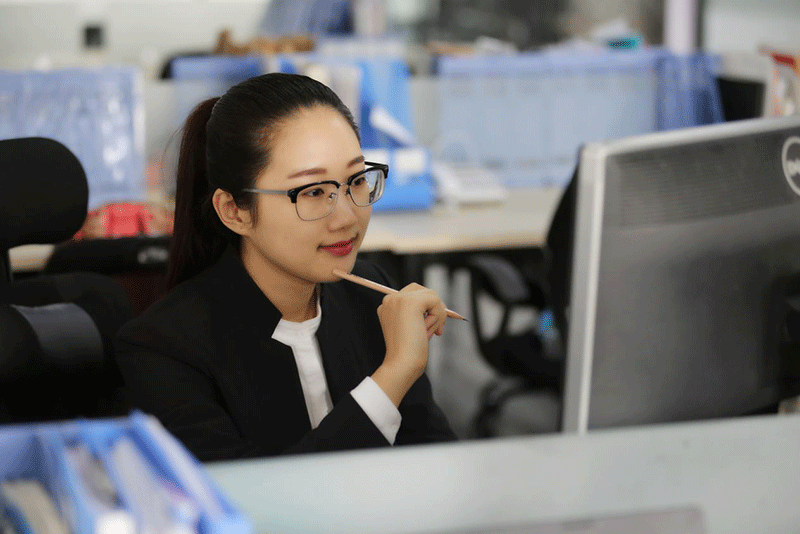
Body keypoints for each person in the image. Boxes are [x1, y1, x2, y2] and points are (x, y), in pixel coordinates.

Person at [115, 73, 457, 462]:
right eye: (313, 192)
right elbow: (257, 495)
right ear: (235, 211)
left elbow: (436, 461)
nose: (347, 217)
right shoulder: (162, 349)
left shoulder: (374, 297)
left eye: (357, 180)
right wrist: (395, 373)